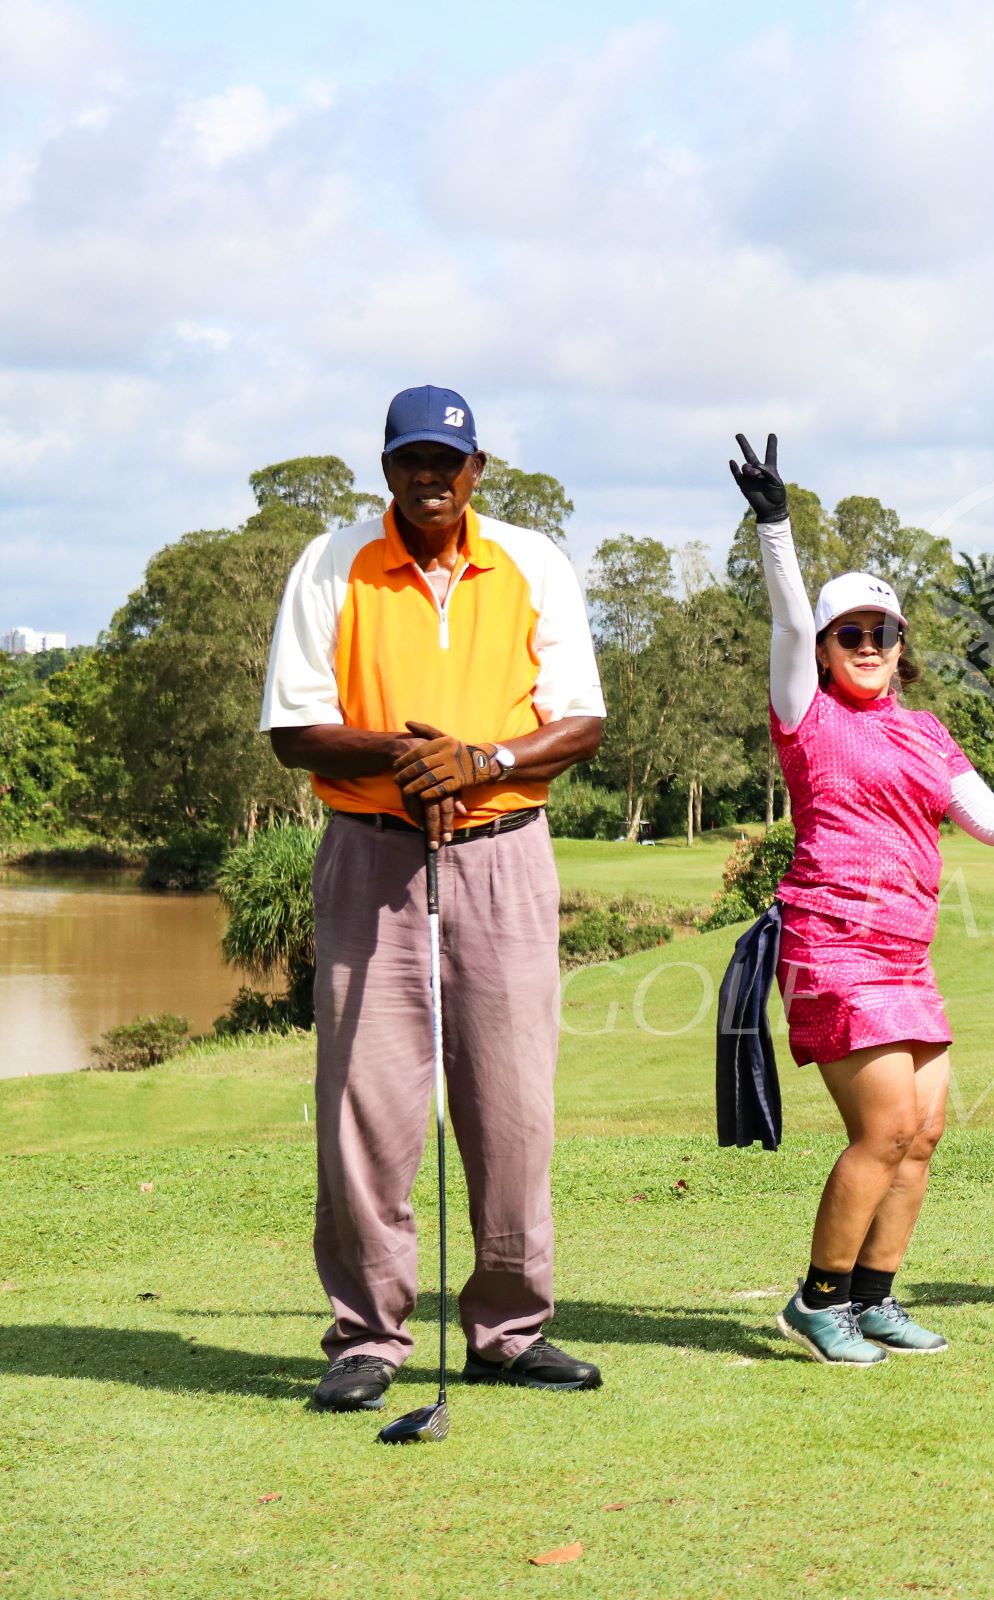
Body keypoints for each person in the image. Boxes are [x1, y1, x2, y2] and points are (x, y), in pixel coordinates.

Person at [727, 434, 994, 1364]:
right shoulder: (808, 713)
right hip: (831, 946)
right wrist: (777, 529)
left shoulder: (923, 732)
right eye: (850, 636)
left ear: (902, 646)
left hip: (905, 955)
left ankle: (874, 1299)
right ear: (828, 651)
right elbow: (787, 625)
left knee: (924, 1133)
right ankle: (817, 1301)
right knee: (883, 1128)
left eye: (882, 634)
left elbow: (985, 819)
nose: (867, 647)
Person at [260, 385, 609, 1413]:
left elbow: (580, 719)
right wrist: (411, 760)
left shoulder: (533, 562)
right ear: (386, 469)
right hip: (371, 854)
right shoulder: (334, 565)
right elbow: (293, 728)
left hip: (506, 851)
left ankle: (510, 1329)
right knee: (367, 1104)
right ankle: (368, 1338)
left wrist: (482, 759)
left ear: (477, 469)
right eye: (412, 461)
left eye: (448, 463)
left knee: (513, 1100)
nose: (431, 479)